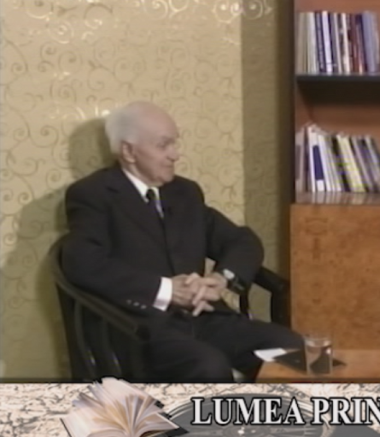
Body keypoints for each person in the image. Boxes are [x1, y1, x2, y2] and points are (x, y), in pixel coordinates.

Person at [61, 101, 303, 382]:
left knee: (294, 348)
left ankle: (287, 412)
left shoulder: (185, 192)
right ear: (128, 151)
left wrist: (221, 280)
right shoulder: (94, 195)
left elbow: (242, 241)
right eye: (163, 145)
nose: (175, 155)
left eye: (174, 143)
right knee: (209, 366)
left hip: (204, 316)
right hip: (140, 328)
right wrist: (167, 290)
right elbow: (82, 263)